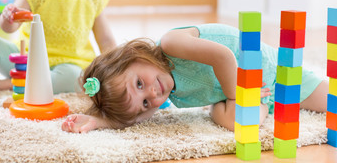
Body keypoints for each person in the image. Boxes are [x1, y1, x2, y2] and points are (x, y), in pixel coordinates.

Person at [61, 23, 328, 133]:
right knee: (237, 123)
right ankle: (259, 106)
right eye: (144, 102)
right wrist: (100, 121)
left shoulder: (170, 44)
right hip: (244, 93)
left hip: (266, 68)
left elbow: (223, 57)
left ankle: (255, 103)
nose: (153, 96)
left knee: (330, 100)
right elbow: (135, 118)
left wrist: (240, 93)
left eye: (139, 84)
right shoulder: (168, 95)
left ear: (134, 56)